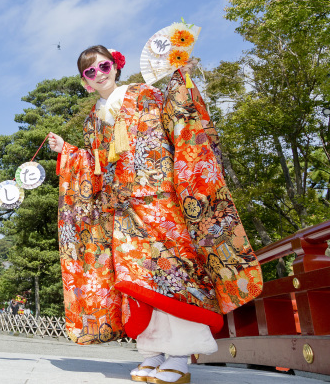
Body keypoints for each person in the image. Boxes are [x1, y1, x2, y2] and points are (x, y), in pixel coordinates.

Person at [48, 45, 263, 383]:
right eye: (90, 71)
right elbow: (96, 164)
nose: (99, 74)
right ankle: (153, 353)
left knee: (174, 275)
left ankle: (179, 357)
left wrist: (181, 78)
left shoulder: (145, 94)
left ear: (115, 66)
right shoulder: (94, 119)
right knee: (136, 282)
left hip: (159, 201)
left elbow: (176, 120)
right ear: (85, 81)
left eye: (103, 66)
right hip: (122, 210)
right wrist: (68, 152)